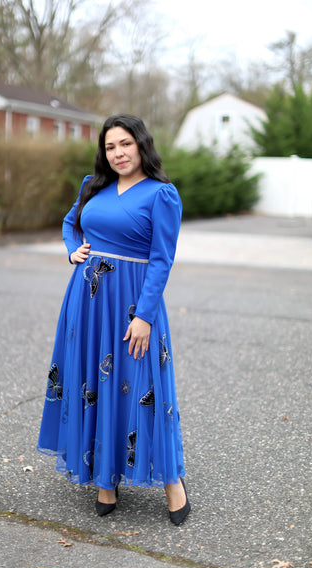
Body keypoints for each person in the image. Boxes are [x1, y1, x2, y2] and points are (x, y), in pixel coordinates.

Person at [37, 114, 190, 525]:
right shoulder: (93, 185)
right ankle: (105, 476)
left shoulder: (162, 195)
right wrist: (72, 251)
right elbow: (72, 224)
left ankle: (172, 480)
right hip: (86, 304)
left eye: (125, 144)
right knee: (92, 381)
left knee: (145, 386)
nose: (118, 153)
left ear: (141, 145)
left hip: (132, 303)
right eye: (110, 147)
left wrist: (144, 315)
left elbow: (162, 260)